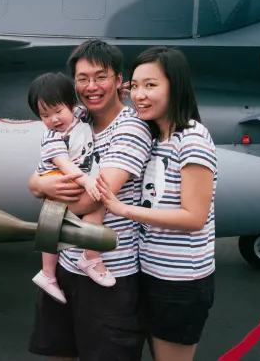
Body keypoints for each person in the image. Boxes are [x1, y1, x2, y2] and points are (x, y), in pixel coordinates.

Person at [27, 39, 152, 361]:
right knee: (59, 352)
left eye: (101, 77)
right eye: (83, 79)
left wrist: (44, 192)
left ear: (119, 79)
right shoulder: (74, 117)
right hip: (66, 265)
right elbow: (39, 174)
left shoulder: (132, 128)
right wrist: (38, 184)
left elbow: (91, 200)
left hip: (111, 272)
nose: (91, 86)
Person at [95, 46, 217, 361]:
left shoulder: (192, 138)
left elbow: (194, 217)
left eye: (151, 85)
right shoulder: (157, 139)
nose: (139, 95)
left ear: (175, 86)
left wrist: (122, 209)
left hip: (179, 282)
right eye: (134, 86)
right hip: (150, 272)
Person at [28, 72, 115, 304]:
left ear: (72, 104)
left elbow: (100, 105)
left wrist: (118, 92)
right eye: (44, 115)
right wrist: (87, 181)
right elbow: (64, 165)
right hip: (60, 178)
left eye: (57, 111)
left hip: (76, 177)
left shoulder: (80, 116)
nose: (53, 119)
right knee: (53, 224)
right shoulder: (52, 138)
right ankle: (48, 273)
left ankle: (88, 256)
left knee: (94, 211)